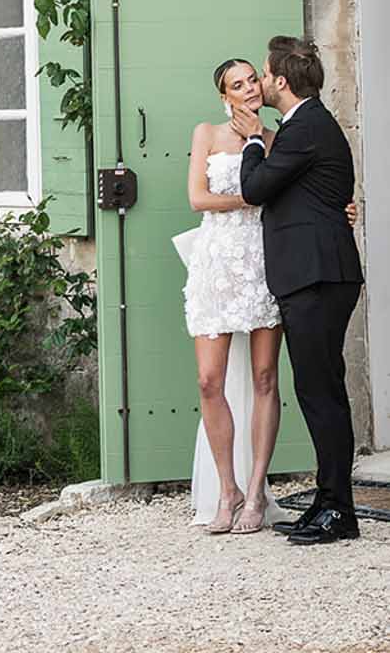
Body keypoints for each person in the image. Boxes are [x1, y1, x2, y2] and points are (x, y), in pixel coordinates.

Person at [233, 36, 364, 546]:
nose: (260, 83)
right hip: (315, 275)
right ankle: (329, 501)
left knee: (321, 394)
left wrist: (249, 140)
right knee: (319, 392)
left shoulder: (305, 127)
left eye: (264, 75)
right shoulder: (301, 127)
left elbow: (255, 188)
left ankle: (339, 510)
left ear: (281, 82)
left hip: (317, 277)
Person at [183, 58, 285, 534]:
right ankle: (228, 490)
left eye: (251, 81)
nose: (247, 90)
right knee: (209, 380)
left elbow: (295, 195)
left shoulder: (275, 139)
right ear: (224, 97)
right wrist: (253, 195)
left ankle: (256, 490)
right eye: (236, 85)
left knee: (265, 375)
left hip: (263, 262)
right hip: (217, 264)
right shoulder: (206, 133)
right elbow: (199, 199)